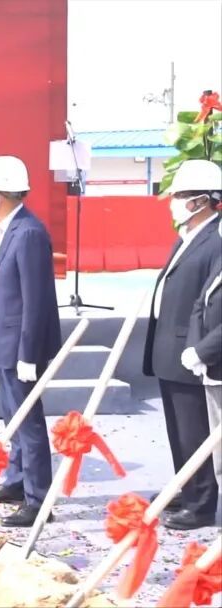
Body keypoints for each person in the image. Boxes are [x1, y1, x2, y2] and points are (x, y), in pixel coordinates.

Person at [0, 156, 61, 527]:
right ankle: (17, 479)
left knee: (28, 422)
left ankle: (38, 500)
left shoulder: (28, 233)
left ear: (1, 195)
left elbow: (35, 299)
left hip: (21, 346)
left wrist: (29, 353)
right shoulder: (8, 229)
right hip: (4, 342)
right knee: (13, 416)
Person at [143, 158, 221, 531]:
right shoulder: (188, 235)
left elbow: (208, 300)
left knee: (195, 431)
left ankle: (201, 504)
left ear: (201, 200)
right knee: (178, 431)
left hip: (191, 351)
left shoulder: (215, 240)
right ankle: (186, 486)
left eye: (179, 196)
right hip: (169, 348)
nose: (174, 203)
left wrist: (202, 348)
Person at [184, 216, 221, 494]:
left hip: (215, 359)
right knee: (219, 454)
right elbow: (201, 303)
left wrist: (203, 350)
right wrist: (194, 346)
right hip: (214, 370)